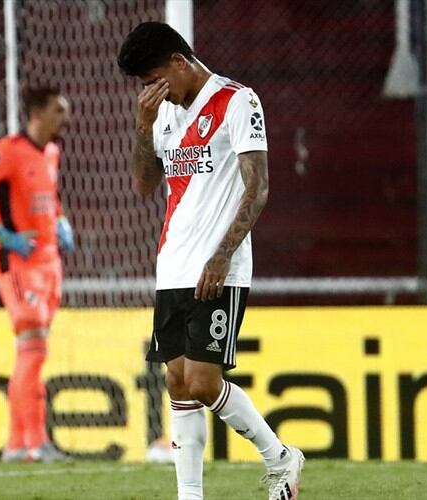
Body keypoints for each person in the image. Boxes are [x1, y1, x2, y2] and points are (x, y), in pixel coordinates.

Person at [117, 22, 304, 500]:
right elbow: (142, 184)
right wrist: (143, 125)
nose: (150, 91)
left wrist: (222, 256)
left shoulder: (238, 102)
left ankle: (279, 457)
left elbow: (257, 186)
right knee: (178, 384)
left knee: (203, 382)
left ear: (178, 62)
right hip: (173, 264)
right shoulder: (163, 115)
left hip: (218, 266)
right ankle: (190, 495)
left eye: (152, 79)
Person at [0, 86, 73, 463]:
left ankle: (18, 445)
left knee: (34, 349)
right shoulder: (7, 150)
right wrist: (1, 235)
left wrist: (61, 221)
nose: (64, 118)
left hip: (50, 263)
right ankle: (33, 442)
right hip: (19, 263)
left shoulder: (51, 152)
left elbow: (48, 195)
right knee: (33, 347)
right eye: (58, 110)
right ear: (36, 113)